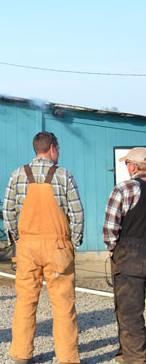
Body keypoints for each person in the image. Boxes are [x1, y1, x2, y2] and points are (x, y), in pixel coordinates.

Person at [3, 131, 84, 364]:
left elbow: (8, 211)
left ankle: (21, 355)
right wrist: (74, 242)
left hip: (27, 247)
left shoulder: (18, 175)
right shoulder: (64, 176)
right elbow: (77, 213)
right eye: (58, 148)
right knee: (63, 304)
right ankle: (68, 358)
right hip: (58, 247)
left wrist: (16, 239)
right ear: (52, 148)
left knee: (26, 302)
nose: (59, 152)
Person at [104, 146, 146, 363]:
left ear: (132, 167)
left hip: (131, 257)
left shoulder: (124, 189)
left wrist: (113, 250)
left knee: (130, 311)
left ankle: (135, 357)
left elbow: (110, 228)